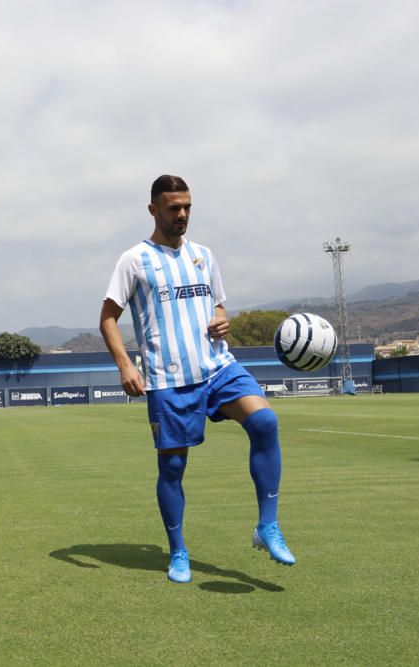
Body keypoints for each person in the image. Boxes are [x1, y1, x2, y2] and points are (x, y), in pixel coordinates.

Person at [99, 175, 295, 584]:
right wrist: (125, 365)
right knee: (172, 468)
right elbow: (108, 318)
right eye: (173, 208)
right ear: (153, 210)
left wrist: (222, 320)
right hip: (169, 380)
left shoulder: (204, 255)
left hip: (218, 368)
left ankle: (267, 526)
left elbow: (219, 307)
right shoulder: (134, 260)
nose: (182, 214)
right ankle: (179, 551)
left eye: (187, 206)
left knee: (265, 422)